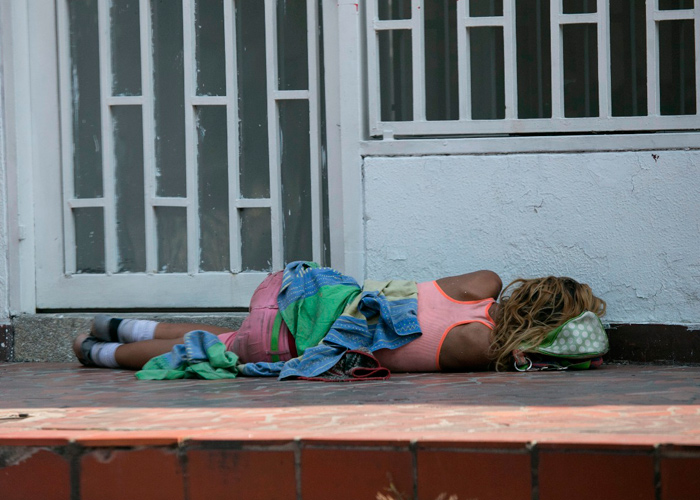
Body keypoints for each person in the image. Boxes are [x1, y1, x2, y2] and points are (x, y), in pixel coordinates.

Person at [72, 266, 606, 373]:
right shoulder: (481, 346)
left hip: (301, 292)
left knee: (230, 335)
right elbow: (567, 353)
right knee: (218, 350)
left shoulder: (484, 283)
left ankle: (113, 325)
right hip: (296, 339)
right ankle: (97, 352)